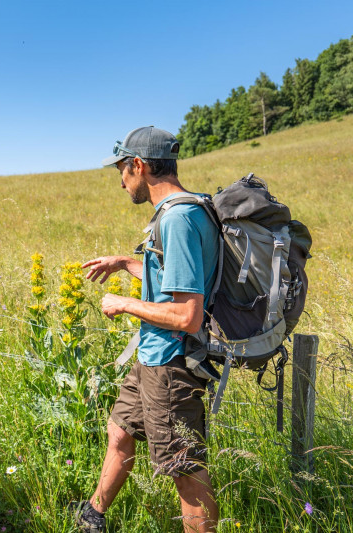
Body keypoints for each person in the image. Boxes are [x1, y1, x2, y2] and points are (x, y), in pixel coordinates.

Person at [75, 127, 220, 533]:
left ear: (139, 165)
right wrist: (126, 263)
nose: (121, 180)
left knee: (184, 469)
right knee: (120, 430)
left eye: (122, 169)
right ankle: (93, 515)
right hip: (153, 355)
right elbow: (175, 278)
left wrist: (124, 304)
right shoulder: (185, 209)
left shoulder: (177, 219)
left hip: (172, 363)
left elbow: (186, 314)